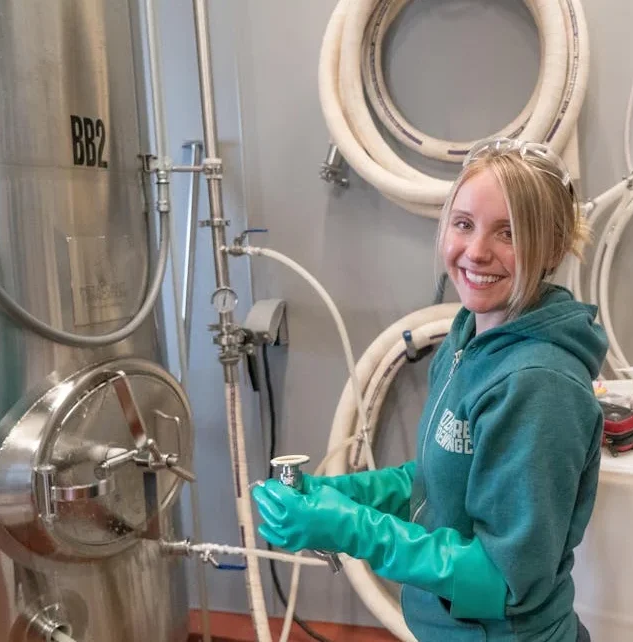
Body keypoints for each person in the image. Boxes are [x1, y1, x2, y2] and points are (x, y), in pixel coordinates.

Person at [252, 137, 607, 642]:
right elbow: (445, 481)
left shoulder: (538, 385)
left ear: (550, 246)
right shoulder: (469, 335)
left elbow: (504, 581)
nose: (476, 251)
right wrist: (343, 495)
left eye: (509, 232)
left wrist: (353, 529)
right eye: (464, 224)